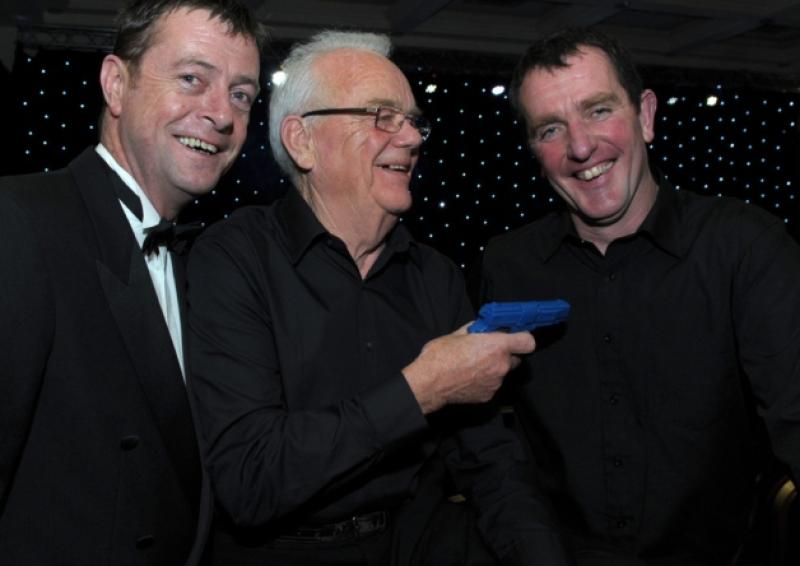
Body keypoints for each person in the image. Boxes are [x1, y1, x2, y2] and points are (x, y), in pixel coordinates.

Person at [186, 30, 571, 566]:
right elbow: (251, 480)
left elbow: (491, 462)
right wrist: (422, 389)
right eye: (381, 116)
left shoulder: (433, 275)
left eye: (414, 120)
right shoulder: (232, 260)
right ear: (301, 141)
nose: (411, 138)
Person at [475, 26, 800, 566]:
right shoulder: (509, 265)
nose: (580, 147)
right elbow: (493, 447)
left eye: (599, 110)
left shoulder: (745, 247)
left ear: (646, 115)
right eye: (551, 128)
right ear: (534, 148)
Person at [0, 1, 263, 563]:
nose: (221, 115)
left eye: (241, 94)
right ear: (116, 85)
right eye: (192, 79)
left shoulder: (200, 259)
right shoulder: (19, 222)